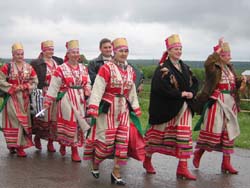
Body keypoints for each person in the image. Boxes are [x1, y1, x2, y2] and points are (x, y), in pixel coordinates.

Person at [84, 38, 141, 185]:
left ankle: (116, 172)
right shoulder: (106, 68)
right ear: (114, 52)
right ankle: (96, 163)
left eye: (126, 51)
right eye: (121, 50)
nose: (123, 53)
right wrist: (93, 106)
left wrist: (135, 106)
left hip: (123, 109)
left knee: (122, 142)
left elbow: (132, 90)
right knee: (105, 143)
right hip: (108, 109)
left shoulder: (130, 70)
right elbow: (98, 88)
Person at [143, 34, 199, 180]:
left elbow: (195, 83)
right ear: (168, 51)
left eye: (180, 49)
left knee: (185, 135)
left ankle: (182, 168)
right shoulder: (163, 69)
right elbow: (161, 88)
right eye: (176, 49)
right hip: (168, 108)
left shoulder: (186, 67)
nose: (179, 51)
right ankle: (147, 159)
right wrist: (181, 94)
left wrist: (192, 93)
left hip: (184, 107)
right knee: (156, 138)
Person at [193, 38, 247, 174]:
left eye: (229, 54)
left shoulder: (230, 68)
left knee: (229, 132)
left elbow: (233, 83)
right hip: (218, 102)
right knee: (213, 131)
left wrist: (242, 80)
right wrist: (217, 50)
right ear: (221, 57)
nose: (230, 57)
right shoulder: (214, 68)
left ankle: (226, 163)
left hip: (231, 102)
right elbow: (207, 63)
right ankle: (199, 153)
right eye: (227, 55)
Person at [43, 40, 91, 162]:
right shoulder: (61, 69)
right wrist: (48, 101)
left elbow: (88, 82)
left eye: (77, 52)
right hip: (66, 99)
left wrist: (87, 89)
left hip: (80, 99)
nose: (75, 55)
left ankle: (65, 144)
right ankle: (73, 150)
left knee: (79, 124)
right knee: (71, 123)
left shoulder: (83, 68)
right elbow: (54, 86)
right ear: (68, 54)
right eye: (72, 52)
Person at [0, 43, 38, 157]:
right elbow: (1, 80)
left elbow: (35, 81)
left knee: (24, 121)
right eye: (17, 54)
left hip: (25, 98)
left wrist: (27, 86)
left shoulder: (29, 67)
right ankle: (13, 145)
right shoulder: (7, 67)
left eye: (21, 54)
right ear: (13, 54)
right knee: (14, 121)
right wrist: (13, 87)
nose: (20, 56)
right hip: (11, 97)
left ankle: (20, 146)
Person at [30, 40, 63, 152]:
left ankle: (50, 143)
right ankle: (38, 137)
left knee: (54, 120)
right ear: (43, 50)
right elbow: (32, 77)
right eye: (48, 49)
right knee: (43, 119)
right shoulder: (36, 62)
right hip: (43, 93)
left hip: (56, 94)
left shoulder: (58, 61)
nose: (51, 51)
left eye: (52, 49)